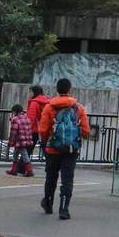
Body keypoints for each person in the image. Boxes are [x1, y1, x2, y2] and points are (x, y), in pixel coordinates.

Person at [37, 78, 89, 220]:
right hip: (71, 149)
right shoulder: (79, 108)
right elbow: (85, 130)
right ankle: (64, 209)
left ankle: (48, 204)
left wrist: (50, 139)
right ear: (70, 90)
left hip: (53, 149)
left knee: (51, 177)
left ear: (57, 90)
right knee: (67, 179)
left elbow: (42, 130)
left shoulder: (49, 107)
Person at [5, 104, 35, 177]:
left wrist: (10, 142)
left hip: (20, 140)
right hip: (26, 139)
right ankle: (14, 170)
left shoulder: (15, 119)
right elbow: (29, 130)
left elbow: (13, 132)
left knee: (24, 155)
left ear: (15, 111)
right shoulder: (27, 118)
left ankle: (28, 170)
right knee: (16, 154)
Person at [25, 84, 49, 163]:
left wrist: (26, 129)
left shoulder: (34, 103)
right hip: (47, 129)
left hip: (34, 130)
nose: (29, 94)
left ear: (33, 92)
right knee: (47, 150)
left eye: (30, 92)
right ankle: (51, 168)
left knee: (27, 150)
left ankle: (22, 168)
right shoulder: (48, 102)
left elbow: (30, 118)